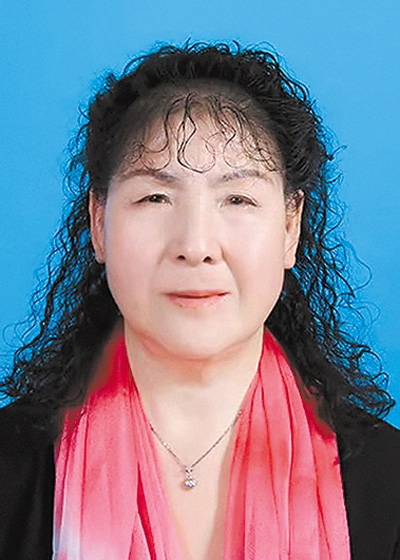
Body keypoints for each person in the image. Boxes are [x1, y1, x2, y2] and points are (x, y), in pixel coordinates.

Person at [0, 42, 399, 560]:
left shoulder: (385, 479)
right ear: (99, 223)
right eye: (155, 198)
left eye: (237, 199)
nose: (196, 245)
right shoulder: (12, 469)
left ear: (289, 227)